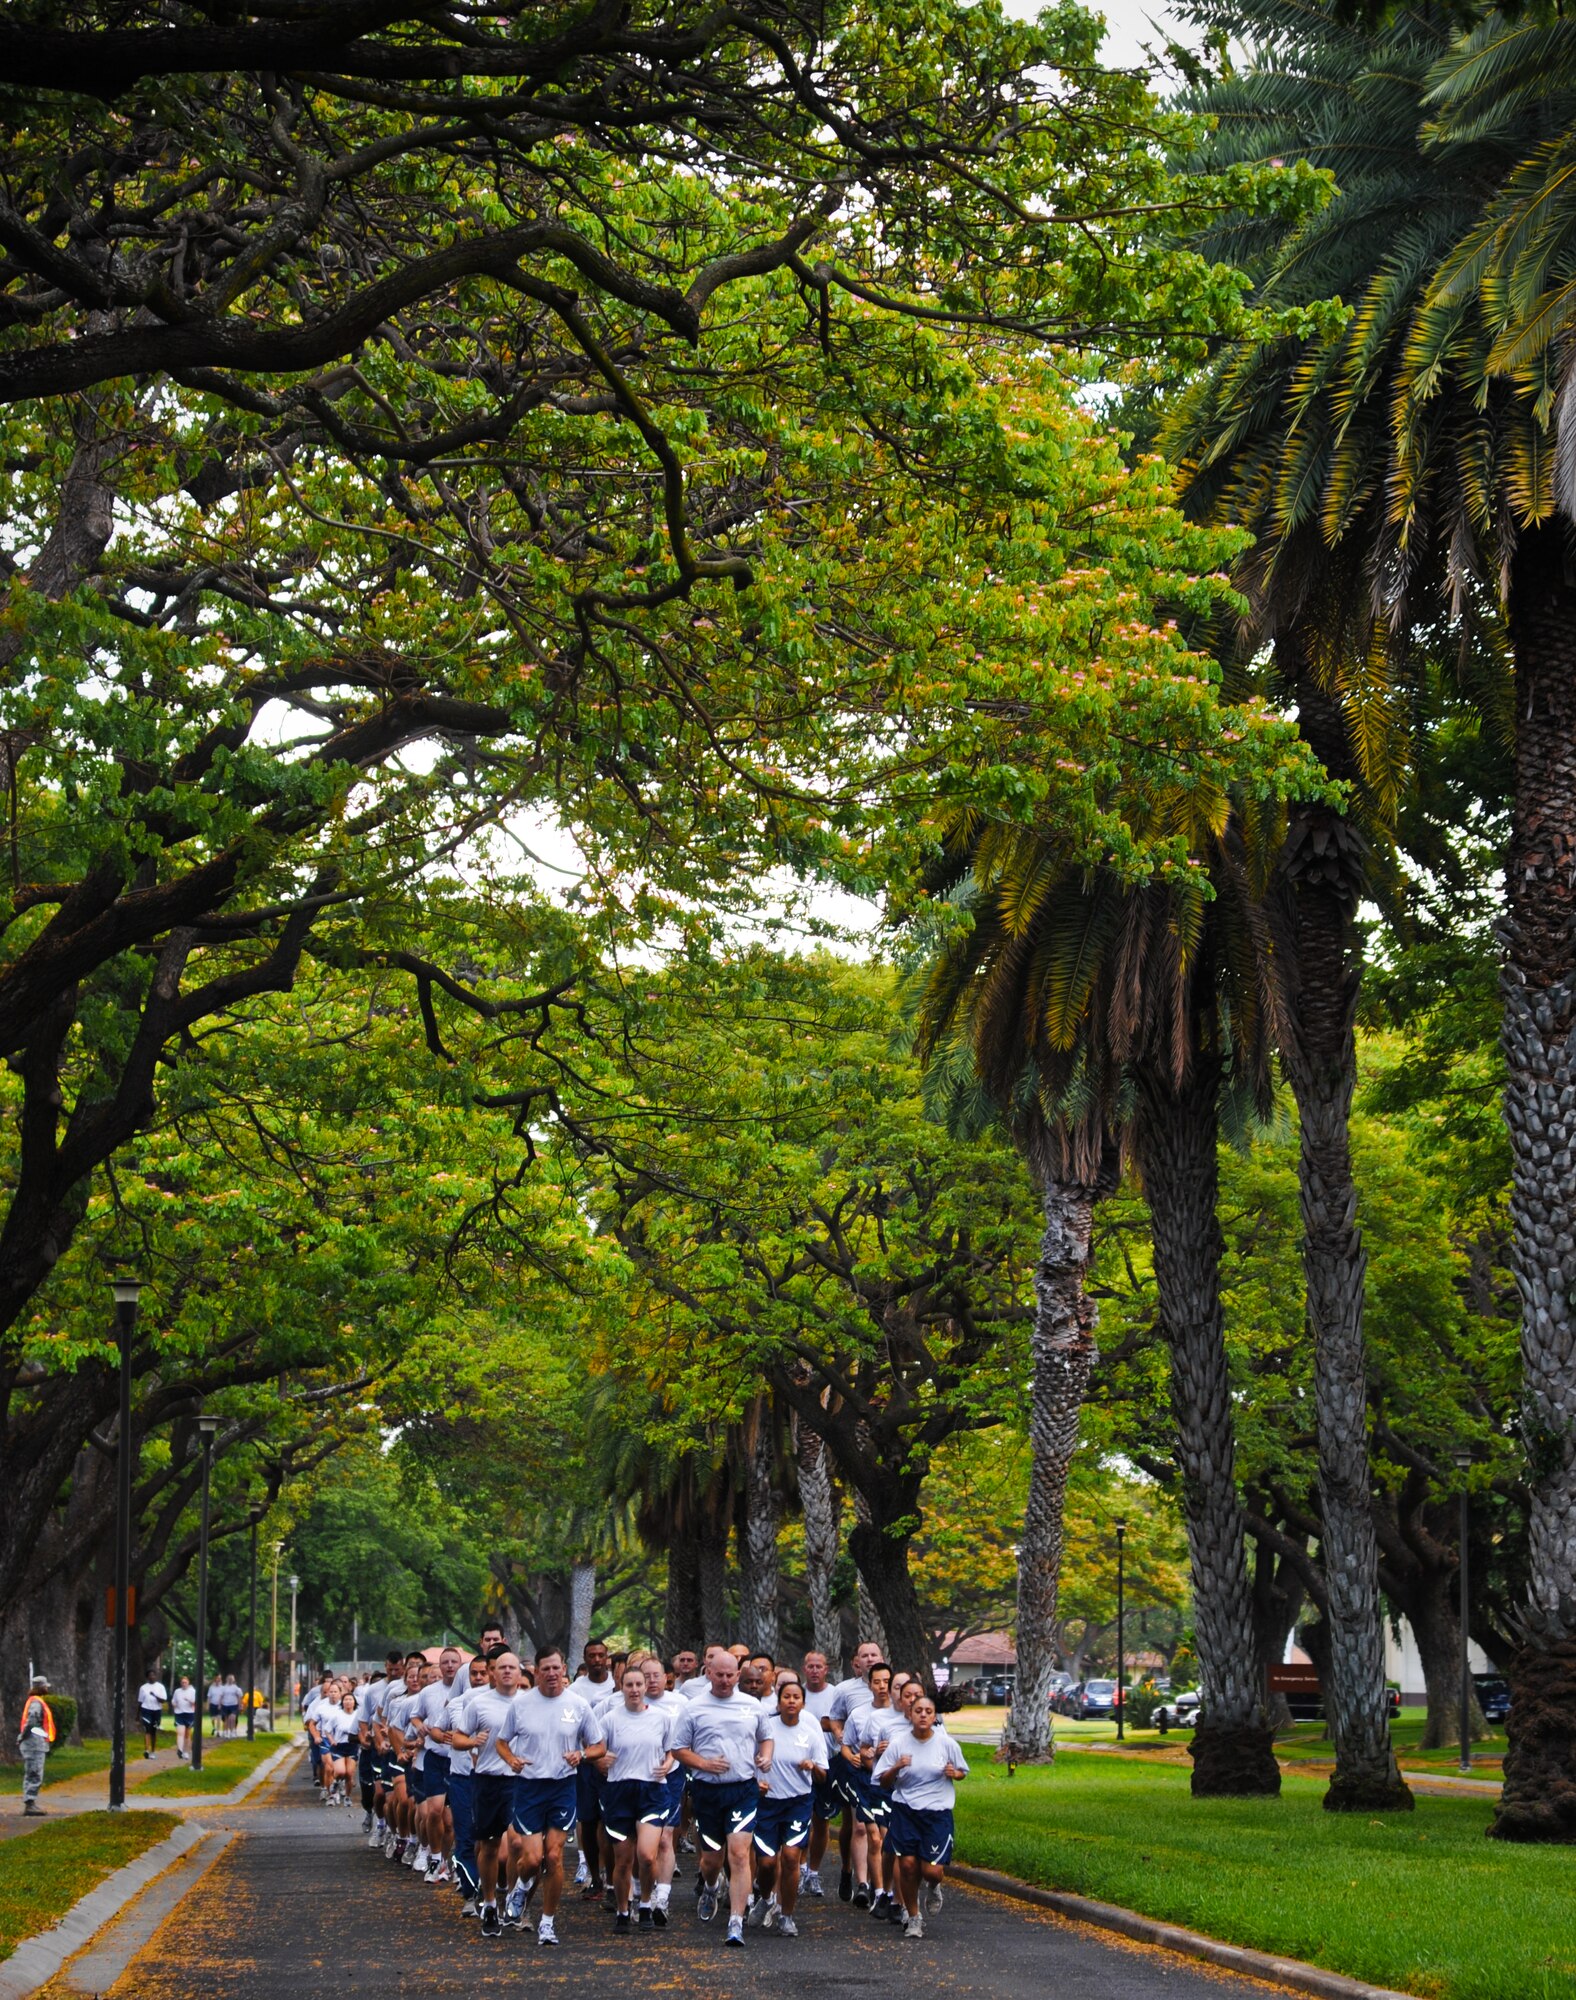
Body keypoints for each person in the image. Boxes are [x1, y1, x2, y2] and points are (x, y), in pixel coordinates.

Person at [505, 1646, 606, 1946]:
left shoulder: (578, 1705)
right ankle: (522, 1886)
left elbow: (598, 1745)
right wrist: (511, 1759)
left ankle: (547, 1923)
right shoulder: (521, 1705)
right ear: (536, 1671)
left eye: (556, 1668)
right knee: (533, 1859)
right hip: (530, 1788)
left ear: (564, 1669)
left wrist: (582, 1754)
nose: (551, 1674)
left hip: (563, 1787)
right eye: (545, 1669)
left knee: (553, 1855)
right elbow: (501, 1742)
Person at [672, 1647, 770, 1949]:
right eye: (720, 1675)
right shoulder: (694, 1707)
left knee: (740, 1853)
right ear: (708, 1673)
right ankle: (712, 1887)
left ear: (738, 1675)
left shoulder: (752, 1706)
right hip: (707, 1791)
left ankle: (736, 1922)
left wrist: (765, 1757)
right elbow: (678, 1749)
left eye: (730, 1675)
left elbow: (766, 1737)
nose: (725, 1681)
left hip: (742, 1789)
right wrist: (703, 1764)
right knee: (711, 1860)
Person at [449, 1647, 527, 1940]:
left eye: (512, 1667)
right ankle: (491, 1903)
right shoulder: (479, 1704)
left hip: (521, 1782)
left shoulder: (530, 1703)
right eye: (502, 1667)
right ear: (493, 1673)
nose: (507, 1671)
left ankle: (515, 1901)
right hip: (487, 1780)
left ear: (520, 1674)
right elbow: (456, 1738)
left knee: (518, 1844)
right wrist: (471, 1741)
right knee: (490, 1846)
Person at [875, 1696, 968, 1942]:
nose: (923, 1715)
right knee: (906, 1865)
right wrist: (896, 1767)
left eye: (928, 1711)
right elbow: (882, 1780)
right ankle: (913, 1917)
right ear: (910, 1714)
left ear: (935, 1715)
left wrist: (954, 1773)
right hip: (906, 1810)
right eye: (918, 1711)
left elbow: (962, 1772)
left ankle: (934, 1886)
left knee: (932, 1871)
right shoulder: (899, 1744)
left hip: (937, 1813)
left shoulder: (946, 1744)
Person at [598, 1662, 676, 1930]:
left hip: (652, 1790)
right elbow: (595, 1753)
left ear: (646, 1687)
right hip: (619, 1790)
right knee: (623, 1859)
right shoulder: (609, 1720)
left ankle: (645, 1903)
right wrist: (600, 1763)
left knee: (646, 1855)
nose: (634, 1690)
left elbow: (672, 1749)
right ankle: (622, 1910)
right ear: (621, 1687)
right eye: (629, 1685)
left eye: (638, 1685)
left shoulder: (661, 1717)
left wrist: (667, 1764)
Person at [751, 1676, 826, 1938]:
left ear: (803, 1703)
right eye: (786, 1697)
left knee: (792, 1858)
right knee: (768, 1863)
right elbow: (749, 1761)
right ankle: (766, 1898)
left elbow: (823, 1775)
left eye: (796, 1697)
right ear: (779, 1701)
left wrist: (812, 1766)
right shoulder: (765, 1729)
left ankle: (786, 1915)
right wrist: (756, 1783)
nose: (791, 1701)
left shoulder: (810, 1733)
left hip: (798, 1803)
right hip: (767, 1804)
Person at [799, 1650, 838, 1898]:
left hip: (828, 1762)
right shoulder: (797, 1693)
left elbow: (839, 1723)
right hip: (799, 1765)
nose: (814, 1670)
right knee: (802, 1818)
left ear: (826, 1669)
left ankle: (813, 1871)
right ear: (804, 1669)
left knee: (822, 1820)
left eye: (819, 1666)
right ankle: (800, 1868)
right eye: (810, 1666)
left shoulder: (835, 1694)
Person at [16, 1675, 53, 1815]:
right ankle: (30, 1804)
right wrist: (22, 1737)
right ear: (40, 1687)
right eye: (45, 1686)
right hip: (34, 1744)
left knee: (33, 1772)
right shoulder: (36, 1703)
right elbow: (32, 1722)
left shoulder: (35, 1701)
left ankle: (30, 1803)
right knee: (34, 1773)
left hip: (34, 1743)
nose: (47, 1688)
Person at [136, 1671, 168, 1759]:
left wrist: (155, 1696)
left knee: (153, 1731)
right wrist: (137, 1715)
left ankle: (153, 1751)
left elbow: (163, 1700)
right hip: (146, 1710)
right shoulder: (143, 1688)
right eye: (150, 1675)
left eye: (153, 1675)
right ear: (147, 1677)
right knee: (147, 1730)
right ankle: (146, 1750)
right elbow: (140, 1701)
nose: (152, 1677)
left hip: (157, 1711)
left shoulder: (160, 1687)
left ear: (156, 1676)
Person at [171, 1675, 197, 1761]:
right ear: (180, 1683)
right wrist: (174, 1704)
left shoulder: (193, 1691)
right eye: (182, 1682)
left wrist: (189, 1700)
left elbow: (195, 1703)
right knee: (180, 1733)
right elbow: (173, 1701)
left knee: (187, 1734)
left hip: (189, 1714)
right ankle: (180, 1750)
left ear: (188, 1683)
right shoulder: (177, 1691)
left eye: (185, 1682)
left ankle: (186, 1752)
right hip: (179, 1713)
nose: (184, 1684)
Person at [220, 1673, 242, 1740]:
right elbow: (221, 1696)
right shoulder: (223, 1688)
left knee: (232, 1718)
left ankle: (233, 1731)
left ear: (234, 1680)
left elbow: (239, 1697)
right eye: (229, 1679)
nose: (230, 1680)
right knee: (226, 1719)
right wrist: (219, 1704)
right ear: (226, 1679)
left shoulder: (236, 1688)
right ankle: (226, 1732)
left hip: (234, 1705)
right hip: (225, 1705)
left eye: (231, 1679)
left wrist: (240, 1705)